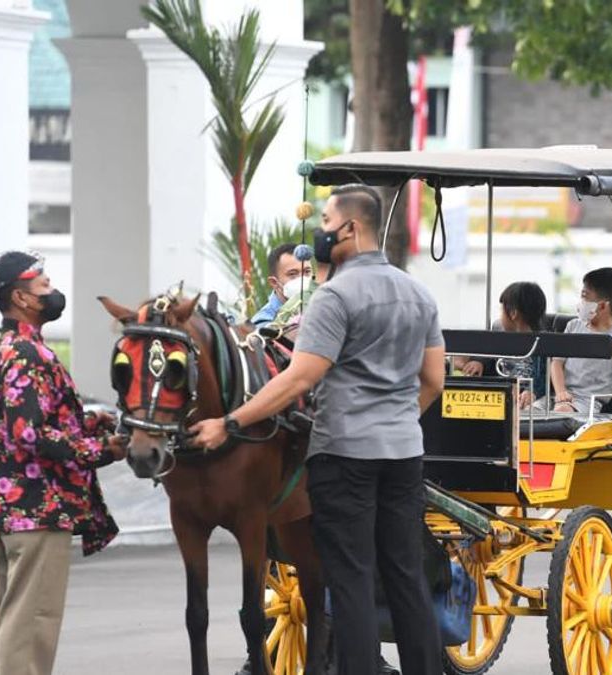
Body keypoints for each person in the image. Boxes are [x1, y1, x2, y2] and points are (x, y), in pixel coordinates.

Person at [190, 184, 446, 675]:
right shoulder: (418, 293)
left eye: (326, 222)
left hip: (345, 454)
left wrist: (229, 422)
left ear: (351, 229)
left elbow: (300, 377)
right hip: (403, 455)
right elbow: (433, 380)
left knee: (349, 580)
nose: (319, 234)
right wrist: (396, 422)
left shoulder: (334, 296)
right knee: (404, 576)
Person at [0, 250, 128, 675]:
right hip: (39, 509)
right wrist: (102, 451)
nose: (52, 293)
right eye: (43, 287)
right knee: (32, 625)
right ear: (22, 299)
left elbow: (30, 420)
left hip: (10, 511)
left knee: (9, 622)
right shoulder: (25, 352)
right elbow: (30, 434)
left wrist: (92, 421)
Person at [544, 267, 612, 414]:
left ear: (603, 306)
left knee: (561, 411)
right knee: (522, 411)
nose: (581, 302)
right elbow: (557, 362)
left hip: (587, 403)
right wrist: (561, 392)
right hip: (557, 396)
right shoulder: (573, 326)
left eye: (584, 297)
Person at [453, 281, 549, 408]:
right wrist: (479, 362)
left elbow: (543, 375)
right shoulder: (500, 333)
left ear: (513, 313)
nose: (500, 315)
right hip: (502, 391)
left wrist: (532, 391)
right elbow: (489, 354)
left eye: (502, 310)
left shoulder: (541, 341)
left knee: (534, 407)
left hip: (528, 396)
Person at [251, 242, 312, 326]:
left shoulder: (320, 307)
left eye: (307, 272)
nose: (302, 279)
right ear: (274, 283)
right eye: (292, 274)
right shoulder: (264, 323)